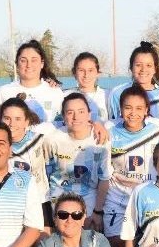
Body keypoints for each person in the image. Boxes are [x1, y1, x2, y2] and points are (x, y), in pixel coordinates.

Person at [104, 85, 159, 247]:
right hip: (117, 197)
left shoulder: (157, 130)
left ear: (147, 109)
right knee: (116, 244)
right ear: (120, 109)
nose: (133, 113)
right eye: (128, 107)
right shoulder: (109, 130)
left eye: (139, 108)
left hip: (146, 197)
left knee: (151, 246)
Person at [45, 93, 111, 233]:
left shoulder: (100, 138)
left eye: (81, 112)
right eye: (70, 112)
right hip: (60, 193)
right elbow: (46, 174)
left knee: (89, 229)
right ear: (63, 116)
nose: (76, 117)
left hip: (89, 194)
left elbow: (104, 178)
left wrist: (97, 212)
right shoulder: (52, 139)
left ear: (89, 114)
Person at [0, 40, 65, 130]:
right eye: (23, 60)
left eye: (34, 60)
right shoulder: (3, 92)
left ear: (42, 63)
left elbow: (62, 124)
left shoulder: (55, 92)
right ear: (17, 64)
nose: (29, 65)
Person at [0, 98, 51, 221]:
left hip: (40, 201)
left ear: (27, 121)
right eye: (7, 118)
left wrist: (94, 124)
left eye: (18, 119)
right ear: (0, 119)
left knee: (44, 240)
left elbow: (72, 126)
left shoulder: (40, 138)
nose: (11, 124)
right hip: (9, 205)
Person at [109, 41, 159, 124]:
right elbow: (114, 124)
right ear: (131, 67)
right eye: (138, 65)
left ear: (155, 68)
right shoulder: (117, 93)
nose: (143, 69)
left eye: (148, 65)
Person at [65, 52, 110, 123]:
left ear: (98, 73)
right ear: (74, 73)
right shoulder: (65, 95)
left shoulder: (108, 95)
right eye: (81, 70)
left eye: (90, 70)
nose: (86, 75)